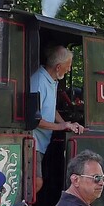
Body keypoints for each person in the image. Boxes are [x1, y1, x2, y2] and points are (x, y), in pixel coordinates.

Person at [31, 45, 84, 197]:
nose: (68, 70)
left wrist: (68, 125)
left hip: (42, 143)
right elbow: (35, 119)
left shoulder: (51, 81)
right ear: (58, 67)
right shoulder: (39, 80)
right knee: (36, 182)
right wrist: (61, 126)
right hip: (33, 141)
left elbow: (50, 109)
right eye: (68, 67)